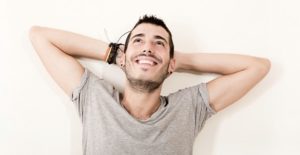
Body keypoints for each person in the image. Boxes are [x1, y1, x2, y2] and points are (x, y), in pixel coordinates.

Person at [29, 15, 271, 155]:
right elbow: (39, 36)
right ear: (122, 57)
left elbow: (258, 67)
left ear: (172, 63)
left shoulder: (188, 108)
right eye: (138, 41)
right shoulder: (95, 97)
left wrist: (171, 61)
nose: (148, 47)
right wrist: (117, 54)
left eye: (159, 43)